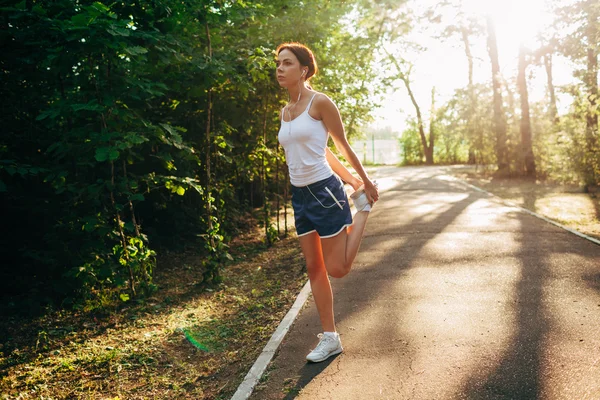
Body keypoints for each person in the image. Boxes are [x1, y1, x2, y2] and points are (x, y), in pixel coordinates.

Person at [276, 42, 379, 363]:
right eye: (278, 63)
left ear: (303, 70)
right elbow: (321, 151)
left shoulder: (320, 103)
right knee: (314, 268)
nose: (279, 68)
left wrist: (364, 182)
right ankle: (330, 337)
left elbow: (342, 145)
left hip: (324, 192)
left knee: (338, 268)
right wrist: (351, 180)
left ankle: (363, 209)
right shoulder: (285, 111)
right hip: (300, 196)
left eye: (287, 63)